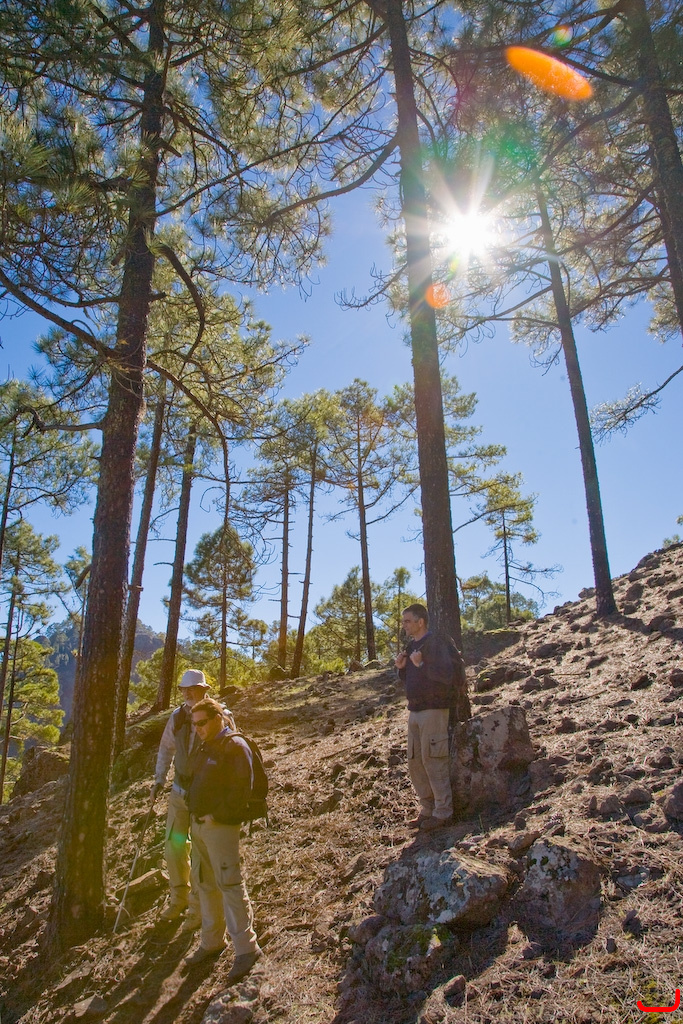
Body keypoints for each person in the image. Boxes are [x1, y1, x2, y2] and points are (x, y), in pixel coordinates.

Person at [183, 696, 262, 983]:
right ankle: (211, 941)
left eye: (203, 723)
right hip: (199, 826)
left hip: (220, 828)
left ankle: (247, 949)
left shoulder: (235, 746)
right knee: (205, 882)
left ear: (218, 718)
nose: (198, 729)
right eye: (195, 725)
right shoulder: (207, 745)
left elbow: (241, 790)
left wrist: (216, 816)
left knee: (229, 884)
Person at [151, 669, 234, 927]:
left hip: (204, 796)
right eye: (184, 689)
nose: (188, 693)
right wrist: (159, 779)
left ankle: (197, 908)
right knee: (174, 846)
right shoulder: (177, 717)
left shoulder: (221, 716)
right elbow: (166, 748)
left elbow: (233, 753)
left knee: (199, 853)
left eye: (193, 689)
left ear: (204, 690)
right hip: (179, 791)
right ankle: (178, 899)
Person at [395, 603, 459, 832]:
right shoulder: (411, 646)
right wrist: (403, 668)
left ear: (420, 622)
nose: (404, 625)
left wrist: (420, 663)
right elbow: (414, 679)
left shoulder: (436, 644)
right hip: (415, 710)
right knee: (415, 761)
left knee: (434, 759)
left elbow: (446, 676)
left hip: (434, 709)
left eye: (407, 621)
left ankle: (443, 812)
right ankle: (427, 809)